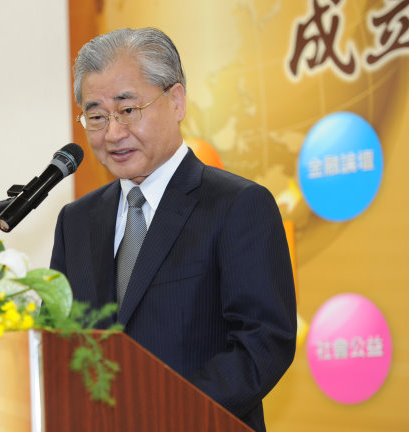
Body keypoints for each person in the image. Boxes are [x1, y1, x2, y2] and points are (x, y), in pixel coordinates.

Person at [50, 27, 296, 432]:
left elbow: (264, 343)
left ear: (176, 101)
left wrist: (162, 414)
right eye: (96, 117)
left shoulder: (237, 205)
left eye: (128, 110)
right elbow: (61, 346)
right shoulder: (75, 222)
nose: (113, 133)